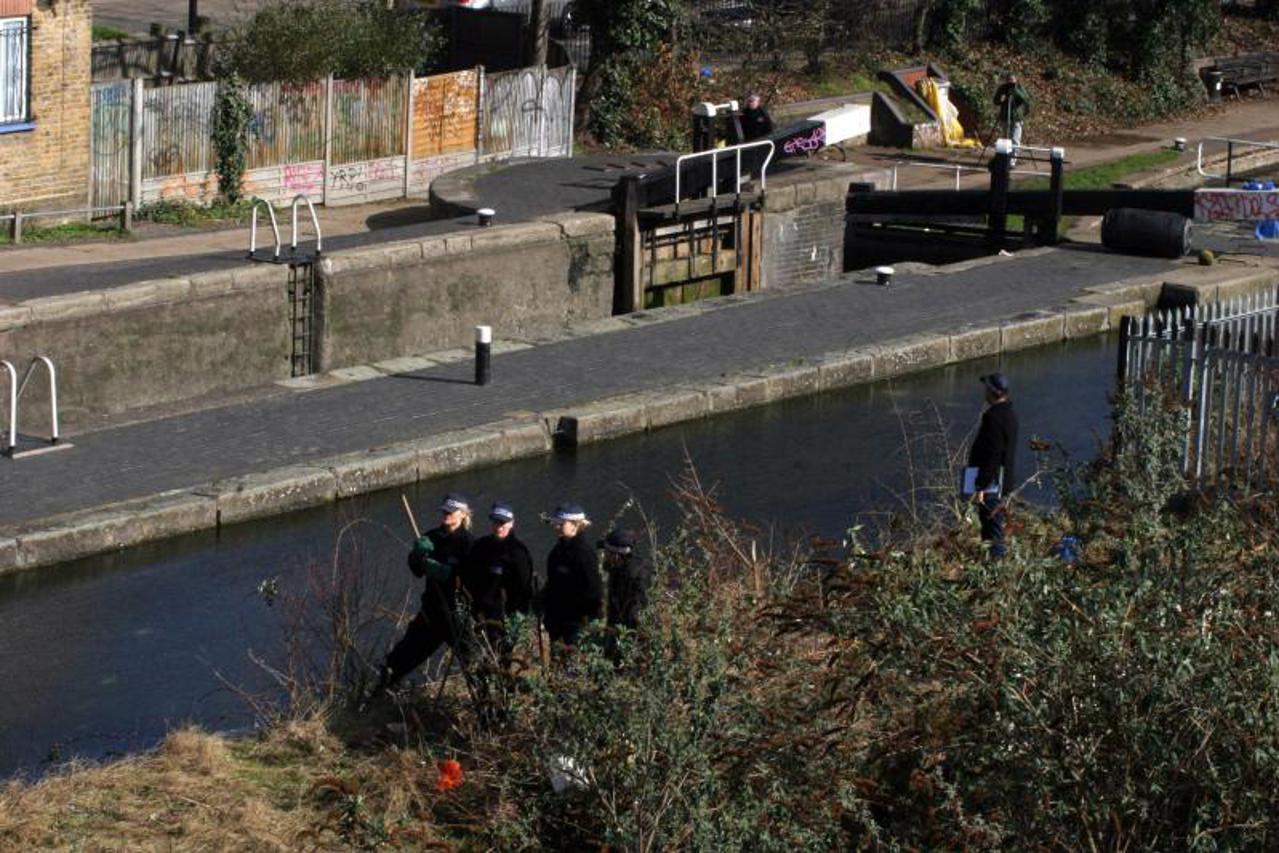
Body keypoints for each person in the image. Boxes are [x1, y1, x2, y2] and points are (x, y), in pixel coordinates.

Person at [372, 493, 475, 696]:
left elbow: (473, 578)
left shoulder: (469, 544)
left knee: (472, 663)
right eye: (444, 511)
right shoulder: (431, 537)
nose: (446, 515)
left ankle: (488, 710)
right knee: (401, 657)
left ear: (463, 515)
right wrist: (417, 556)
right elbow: (416, 570)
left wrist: (445, 572)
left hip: (457, 614)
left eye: (451, 511)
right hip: (432, 612)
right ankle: (378, 695)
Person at [461, 501, 535, 656]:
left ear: (511, 524)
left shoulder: (518, 552)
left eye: (503, 523)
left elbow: (524, 587)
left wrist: (518, 617)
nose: (499, 527)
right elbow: (469, 575)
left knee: (503, 654)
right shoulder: (481, 546)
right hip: (482, 612)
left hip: (507, 615)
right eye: (496, 522)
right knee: (483, 654)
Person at [967, 373, 1019, 560]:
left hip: (992, 482)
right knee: (993, 526)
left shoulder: (994, 417)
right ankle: (993, 567)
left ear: (992, 392)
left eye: (987, 388)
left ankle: (995, 571)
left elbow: (992, 456)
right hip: (1001, 481)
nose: (984, 391)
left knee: (992, 529)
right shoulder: (1009, 413)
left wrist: (981, 486)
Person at [541, 504, 603, 649]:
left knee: (573, 666)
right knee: (558, 662)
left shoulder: (585, 554)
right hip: (556, 621)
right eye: (556, 524)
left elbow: (594, 591)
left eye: (561, 524)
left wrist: (585, 620)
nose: (556, 527)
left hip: (577, 624)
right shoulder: (557, 552)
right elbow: (552, 583)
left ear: (575, 525)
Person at [600, 528, 649, 632]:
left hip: (630, 636)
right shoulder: (616, 570)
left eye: (607, 552)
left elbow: (635, 612)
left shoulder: (634, 577)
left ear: (617, 556)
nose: (604, 555)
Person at [993, 73, 1031, 164]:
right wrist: (1001, 99)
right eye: (1009, 80)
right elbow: (995, 101)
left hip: (1016, 118)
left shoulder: (1019, 88)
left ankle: (1012, 160)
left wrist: (1015, 91)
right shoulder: (1003, 88)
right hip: (1005, 117)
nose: (1010, 82)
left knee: (1015, 140)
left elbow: (1025, 99)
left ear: (1016, 80)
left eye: (1012, 80)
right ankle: (1004, 158)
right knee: (1005, 139)